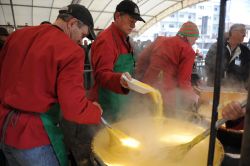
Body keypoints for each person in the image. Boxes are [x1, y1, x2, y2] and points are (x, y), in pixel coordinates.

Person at [0, 4, 102, 166]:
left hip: (4, 130)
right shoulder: (71, 50)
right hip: (34, 138)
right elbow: (73, 109)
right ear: (72, 23)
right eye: (82, 34)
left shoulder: (16, 36)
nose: (80, 40)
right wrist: (95, 111)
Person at [90, 0, 145, 122]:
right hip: (107, 105)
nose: (133, 26)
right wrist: (119, 79)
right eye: (131, 20)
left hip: (122, 102)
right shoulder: (106, 41)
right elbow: (101, 74)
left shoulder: (126, 40)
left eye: (135, 22)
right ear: (117, 16)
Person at [136, 21, 200, 114]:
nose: (194, 43)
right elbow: (183, 82)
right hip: (166, 97)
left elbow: (142, 59)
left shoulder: (160, 40)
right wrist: (195, 97)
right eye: (195, 39)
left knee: (145, 120)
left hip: (146, 89)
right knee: (164, 123)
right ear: (190, 37)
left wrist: (141, 78)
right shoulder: (187, 50)